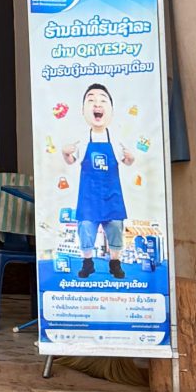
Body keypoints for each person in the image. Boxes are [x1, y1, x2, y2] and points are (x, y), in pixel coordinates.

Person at [62, 82, 128, 279]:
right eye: (91, 100)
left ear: (111, 110)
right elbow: (72, 160)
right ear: (83, 110)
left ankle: (115, 263)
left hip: (111, 195)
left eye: (102, 100)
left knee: (115, 226)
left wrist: (130, 157)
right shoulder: (82, 140)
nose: (97, 104)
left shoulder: (116, 140)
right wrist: (65, 153)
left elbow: (127, 161)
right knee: (85, 227)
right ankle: (87, 263)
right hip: (89, 197)